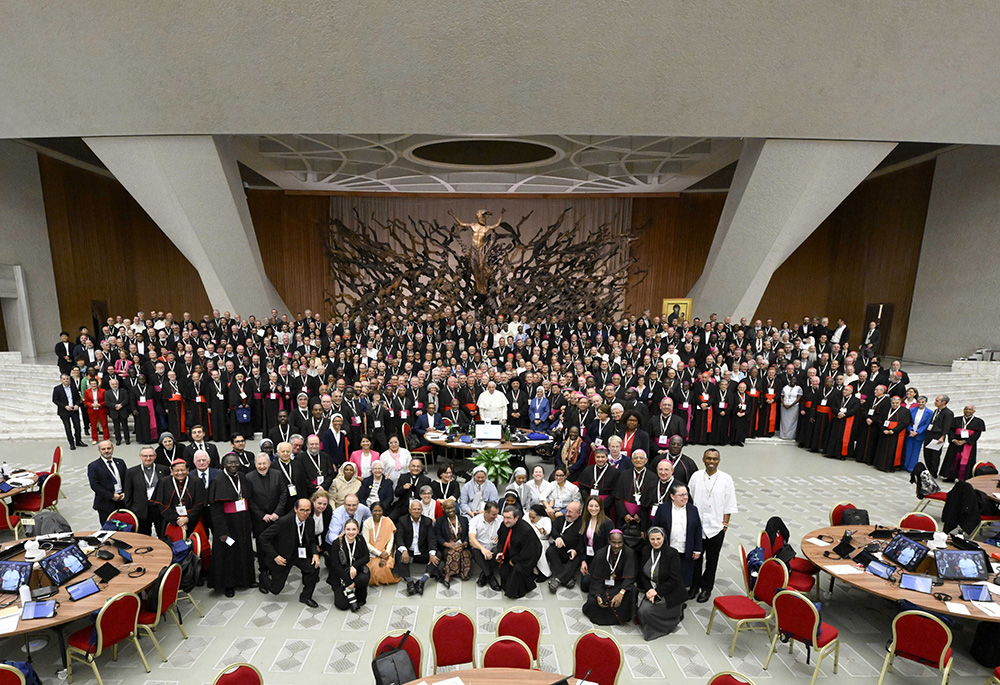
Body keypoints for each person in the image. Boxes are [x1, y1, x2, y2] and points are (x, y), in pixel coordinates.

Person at [687, 449, 737, 603]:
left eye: (714, 459)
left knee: (712, 560)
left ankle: (706, 588)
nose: (711, 462)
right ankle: (694, 586)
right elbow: (689, 498)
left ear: (719, 461)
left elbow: (729, 503)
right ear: (703, 459)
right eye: (708, 458)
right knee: (695, 558)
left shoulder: (726, 479)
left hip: (716, 528)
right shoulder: (696, 477)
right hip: (697, 527)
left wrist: (725, 524)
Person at [259, 498, 322, 607]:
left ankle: (306, 597)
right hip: (283, 556)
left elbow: (312, 540)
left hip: (300, 554)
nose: (305, 513)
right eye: (302, 510)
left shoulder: (310, 521)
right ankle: (263, 577)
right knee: (275, 589)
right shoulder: (283, 522)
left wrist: (315, 554)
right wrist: (275, 556)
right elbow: (263, 537)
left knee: (313, 568)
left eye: (308, 510)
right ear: (295, 509)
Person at [208, 453, 256, 597]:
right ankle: (228, 584)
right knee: (228, 554)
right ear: (224, 465)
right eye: (230, 463)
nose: (233, 465)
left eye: (235, 462)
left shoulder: (242, 476)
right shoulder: (217, 480)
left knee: (245, 550)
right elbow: (215, 510)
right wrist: (222, 531)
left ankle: (246, 580)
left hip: (242, 521)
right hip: (227, 524)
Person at [636, 526, 688, 640]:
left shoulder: (672, 554)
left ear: (664, 538)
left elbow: (674, 580)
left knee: (646, 612)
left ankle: (672, 618)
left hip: (670, 591)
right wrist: (649, 589)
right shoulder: (645, 551)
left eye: (658, 539)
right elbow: (642, 574)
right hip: (652, 589)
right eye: (652, 539)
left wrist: (656, 591)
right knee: (641, 612)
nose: (655, 542)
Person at [246, 453, 287, 592]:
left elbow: (283, 494)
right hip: (260, 520)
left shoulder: (277, 474)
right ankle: (263, 574)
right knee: (262, 546)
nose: (262, 466)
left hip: (276, 517)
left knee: (277, 543)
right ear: (255, 464)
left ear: (269, 463)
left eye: (264, 463)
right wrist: (262, 515)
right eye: (259, 464)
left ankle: (275, 570)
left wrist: (277, 513)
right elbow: (249, 499)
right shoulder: (249, 477)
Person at [651, 483, 702, 591]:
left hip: (685, 549)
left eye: (686, 494)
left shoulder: (693, 509)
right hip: (668, 548)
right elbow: (655, 527)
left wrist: (697, 549)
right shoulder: (663, 508)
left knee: (683, 575)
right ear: (672, 496)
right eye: (681, 495)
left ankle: (679, 599)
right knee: (667, 574)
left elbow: (698, 530)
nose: (685, 497)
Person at [582, 530, 636, 625]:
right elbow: (596, 577)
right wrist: (597, 595)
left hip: (620, 584)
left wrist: (621, 593)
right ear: (609, 541)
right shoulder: (601, 553)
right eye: (614, 542)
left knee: (631, 593)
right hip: (603, 584)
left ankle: (620, 617)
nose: (617, 546)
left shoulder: (629, 553)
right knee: (593, 602)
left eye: (620, 542)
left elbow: (629, 576)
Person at [151, 458, 207, 538]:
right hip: (170, 520)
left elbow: (200, 503)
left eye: (182, 470)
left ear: (187, 470)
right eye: (177, 471)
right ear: (172, 471)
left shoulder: (196, 481)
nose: (180, 473)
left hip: (193, 520)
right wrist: (177, 520)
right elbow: (161, 504)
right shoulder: (164, 482)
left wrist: (187, 519)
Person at [495, 504, 542, 599]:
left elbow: (530, 551)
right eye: (504, 517)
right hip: (509, 555)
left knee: (517, 571)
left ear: (516, 518)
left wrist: (515, 560)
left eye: (508, 518)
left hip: (525, 558)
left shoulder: (526, 530)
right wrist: (500, 552)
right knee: (504, 571)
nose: (505, 521)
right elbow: (501, 540)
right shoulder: (504, 525)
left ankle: (517, 592)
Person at [393, 499, 439, 596]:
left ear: (422, 510)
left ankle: (422, 581)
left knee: (437, 555)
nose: (416, 511)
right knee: (399, 553)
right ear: (410, 510)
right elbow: (399, 537)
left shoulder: (427, 521)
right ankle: (410, 583)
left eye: (419, 509)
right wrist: (404, 550)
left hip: (422, 552)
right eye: (414, 509)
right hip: (409, 552)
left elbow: (432, 539)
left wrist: (432, 554)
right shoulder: (402, 520)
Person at [122, 445, 168, 535]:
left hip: (159, 508)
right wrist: (132, 509)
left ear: (155, 456)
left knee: (163, 534)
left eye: (151, 456)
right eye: (145, 456)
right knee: (144, 536)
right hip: (141, 510)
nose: (148, 458)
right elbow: (128, 492)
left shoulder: (163, 469)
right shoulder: (131, 472)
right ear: (140, 456)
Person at [328, 518, 370, 610]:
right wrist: (348, 582)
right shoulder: (337, 543)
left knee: (364, 578)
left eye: (354, 529)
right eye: (348, 529)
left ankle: (357, 592)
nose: (351, 532)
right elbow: (335, 565)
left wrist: (355, 566)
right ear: (344, 530)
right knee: (343, 606)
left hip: (355, 571)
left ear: (358, 530)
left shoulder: (360, 539)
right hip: (340, 574)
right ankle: (346, 589)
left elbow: (366, 557)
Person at [941, 404, 987, 482]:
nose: (967, 411)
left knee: (965, 461)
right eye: (966, 409)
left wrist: (965, 441)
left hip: (968, 444)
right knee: (953, 459)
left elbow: (977, 434)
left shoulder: (978, 421)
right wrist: (953, 439)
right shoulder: (956, 420)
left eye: (970, 409)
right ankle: (950, 477)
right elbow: (951, 430)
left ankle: (963, 478)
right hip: (955, 443)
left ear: (974, 411)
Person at [546, 500, 584, 592]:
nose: (567, 513)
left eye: (570, 512)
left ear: (578, 513)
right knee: (550, 551)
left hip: (572, 551)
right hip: (560, 549)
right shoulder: (561, 519)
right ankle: (567, 579)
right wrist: (558, 537)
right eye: (566, 510)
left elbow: (582, 542)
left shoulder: (582, 524)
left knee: (577, 558)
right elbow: (553, 529)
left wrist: (575, 550)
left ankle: (558, 580)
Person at [579, 495, 614, 592]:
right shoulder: (585, 520)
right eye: (591, 506)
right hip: (588, 557)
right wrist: (583, 560)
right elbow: (582, 543)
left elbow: (609, 546)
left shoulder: (607, 523)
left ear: (600, 507)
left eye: (596, 506)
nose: (593, 509)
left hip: (601, 559)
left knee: (591, 584)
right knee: (584, 586)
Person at [433, 498, 472, 587]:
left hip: (462, 545)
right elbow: (438, 536)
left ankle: (458, 572)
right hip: (447, 547)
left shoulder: (464, 519)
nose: (450, 510)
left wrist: (464, 543)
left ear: (455, 507)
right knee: (454, 553)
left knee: (465, 554)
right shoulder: (440, 521)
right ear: (443, 509)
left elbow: (467, 534)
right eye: (447, 508)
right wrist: (448, 545)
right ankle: (447, 575)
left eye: (452, 508)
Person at [87, 440, 127, 524]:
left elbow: (127, 479)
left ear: (112, 448)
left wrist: (126, 492)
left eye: (109, 448)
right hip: (105, 503)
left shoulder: (120, 462)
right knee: (108, 529)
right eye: (103, 449)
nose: (106, 451)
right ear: (99, 450)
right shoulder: (93, 466)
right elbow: (94, 485)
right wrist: (111, 496)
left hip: (122, 501)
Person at [873, 395, 912, 473]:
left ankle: (890, 466)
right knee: (882, 449)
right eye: (893, 403)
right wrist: (883, 429)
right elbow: (880, 421)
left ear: (900, 402)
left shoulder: (905, 411)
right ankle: (880, 465)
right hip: (885, 432)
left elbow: (905, 423)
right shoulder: (886, 409)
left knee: (892, 450)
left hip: (896, 434)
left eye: (896, 403)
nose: (894, 405)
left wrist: (894, 430)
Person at [362, 502, 399, 586]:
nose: (377, 513)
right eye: (375, 511)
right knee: (373, 569)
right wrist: (379, 554)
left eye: (379, 511)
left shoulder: (388, 521)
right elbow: (366, 543)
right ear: (371, 511)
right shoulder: (367, 523)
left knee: (384, 567)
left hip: (386, 551)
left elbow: (391, 540)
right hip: (371, 553)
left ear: (383, 511)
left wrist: (386, 553)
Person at [469, 501, 502, 590]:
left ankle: (484, 574)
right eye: (493, 514)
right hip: (479, 546)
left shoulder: (500, 519)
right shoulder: (475, 521)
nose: (496, 516)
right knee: (476, 551)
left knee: (497, 551)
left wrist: (500, 538)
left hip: (494, 546)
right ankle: (491, 577)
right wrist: (483, 549)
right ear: (486, 512)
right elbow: (472, 539)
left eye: (497, 514)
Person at [825, 385, 860, 460]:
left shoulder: (855, 400)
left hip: (847, 420)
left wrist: (845, 414)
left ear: (851, 391)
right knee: (834, 436)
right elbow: (833, 407)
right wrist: (838, 413)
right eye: (844, 389)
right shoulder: (838, 398)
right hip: (837, 419)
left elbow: (854, 410)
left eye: (846, 390)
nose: (844, 391)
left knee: (844, 438)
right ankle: (832, 452)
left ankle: (842, 454)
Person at [905, 395, 933, 472]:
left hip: (919, 434)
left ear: (926, 402)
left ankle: (911, 467)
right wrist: (910, 430)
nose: (921, 403)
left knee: (915, 451)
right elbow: (909, 421)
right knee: (908, 449)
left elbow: (926, 424)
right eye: (919, 402)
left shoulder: (929, 412)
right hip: (910, 433)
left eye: (923, 402)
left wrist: (917, 432)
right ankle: (905, 465)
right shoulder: (912, 410)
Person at [527, 504, 552, 578]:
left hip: (543, 541)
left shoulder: (546, 520)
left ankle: (545, 573)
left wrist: (543, 531)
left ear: (539, 515)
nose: (531, 519)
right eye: (530, 517)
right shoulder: (526, 517)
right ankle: (534, 570)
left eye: (533, 517)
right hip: (528, 541)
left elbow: (547, 531)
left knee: (538, 547)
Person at [105, 377, 131, 445]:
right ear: (110, 385)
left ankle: (127, 439)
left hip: (123, 411)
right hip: (114, 412)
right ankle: (118, 439)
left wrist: (121, 405)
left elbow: (126, 399)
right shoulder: (107, 393)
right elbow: (107, 402)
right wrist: (115, 406)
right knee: (116, 427)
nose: (114, 385)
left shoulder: (123, 391)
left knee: (125, 426)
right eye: (113, 384)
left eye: (116, 384)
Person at [84, 378, 109, 445]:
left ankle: (106, 438)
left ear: (97, 384)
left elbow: (106, 400)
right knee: (93, 425)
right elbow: (86, 401)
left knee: (104, 424)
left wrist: (100, 404)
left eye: (94, 384)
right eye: (92, 384)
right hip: (92, 410)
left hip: (101, 409)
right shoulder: (87, 391)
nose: (93, 385)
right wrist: (91, 405)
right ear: (90, 384)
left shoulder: (103, 391)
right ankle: (95, 438)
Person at [778, 376, 801, 440]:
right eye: (792, 380)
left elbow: (799, 397)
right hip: (784, 406)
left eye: (794, 380)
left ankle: (791, 436)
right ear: (789, 380)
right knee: (784, 421)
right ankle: (783, 435)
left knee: (792, 421)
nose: (793, 382)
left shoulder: (798, 388)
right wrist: (783, 403)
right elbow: (782, 396)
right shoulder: (785, 387)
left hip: (794, 406)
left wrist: (791, 405)